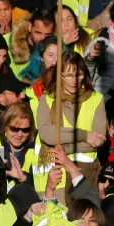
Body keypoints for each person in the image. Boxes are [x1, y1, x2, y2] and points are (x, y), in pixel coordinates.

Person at [36, 52, 107, 190]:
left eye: (78, 74)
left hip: (85, 173)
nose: (74, 80)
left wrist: (62, 150)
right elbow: (46, 134)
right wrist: (85, 136)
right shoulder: (47, 99)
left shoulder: (96, 98)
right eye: (68, 76)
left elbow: (98, 141)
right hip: (56, 177)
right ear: (59, 76)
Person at [0, 102, 36, 191]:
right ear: (5, 126)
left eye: (25, 130)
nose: (19, 134)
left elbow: (40, 186)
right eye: (14, 129)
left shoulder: (36, 149)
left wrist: (23, 178)